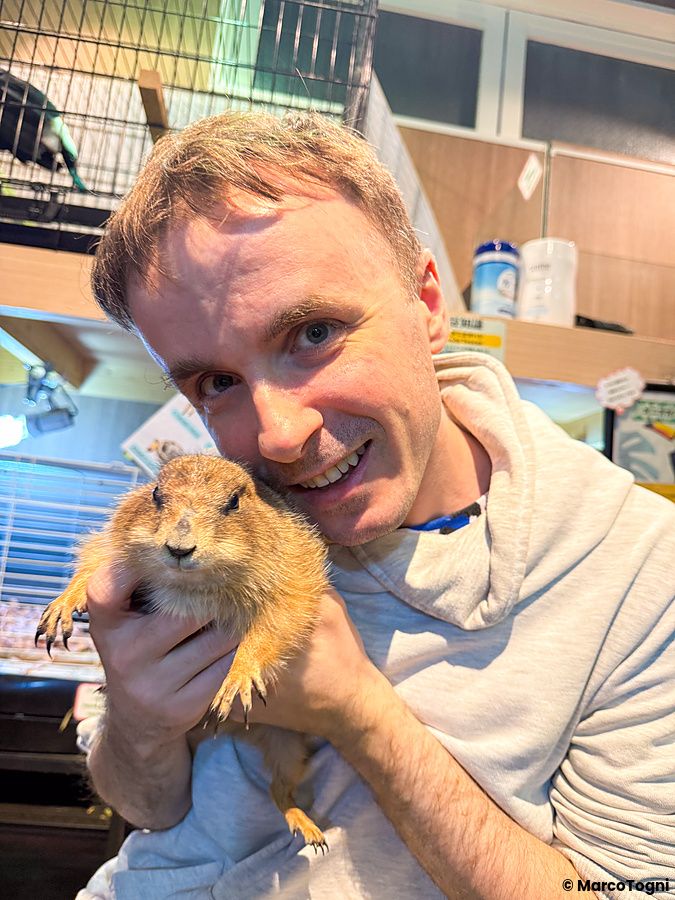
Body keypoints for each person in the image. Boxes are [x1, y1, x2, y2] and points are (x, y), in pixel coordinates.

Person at [76, 111, 675, 900]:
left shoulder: (636, 571)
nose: (279, 437)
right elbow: (142, 807)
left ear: (426, 302)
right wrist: (139, 724)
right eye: (215, 384)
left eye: (315, 332)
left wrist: (359, 713)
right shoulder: (213, 520)